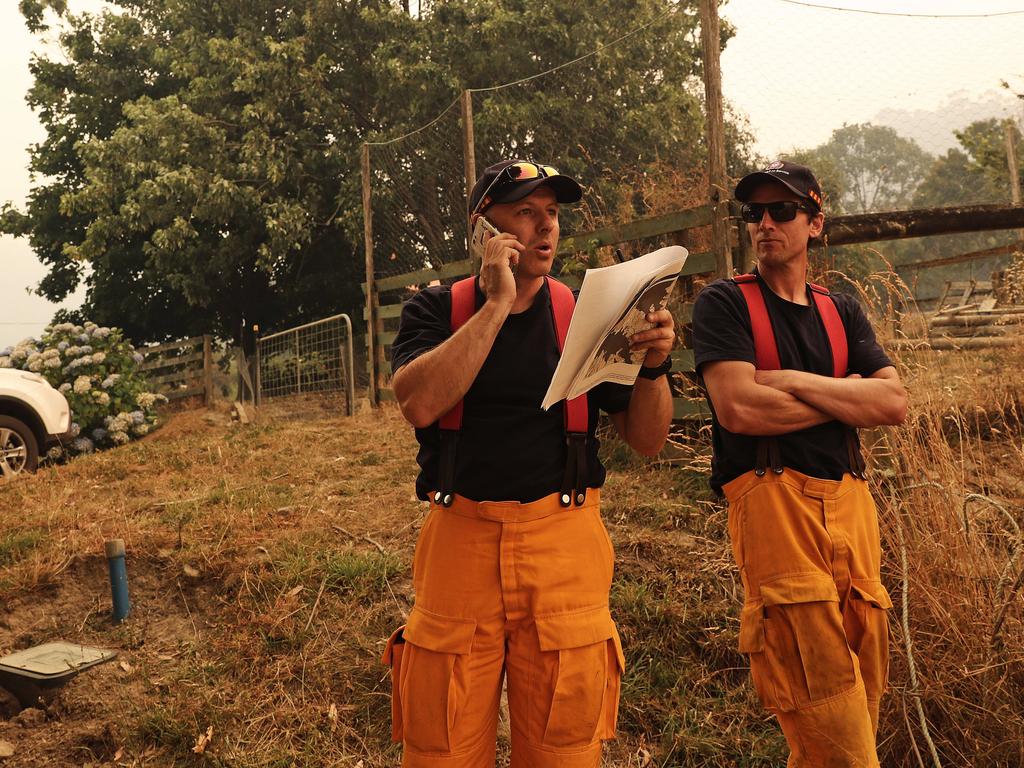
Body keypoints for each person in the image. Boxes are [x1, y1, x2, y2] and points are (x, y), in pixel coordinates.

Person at [381, 158, 675, 768]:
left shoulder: (585, 316)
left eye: (553, 214)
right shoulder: (437, 310)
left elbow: (646, 439)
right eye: (525, 213)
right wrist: (494, 306)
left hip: (565, 545)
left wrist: (655, 367)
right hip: (459, 542)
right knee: (441, 749)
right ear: (484, 231)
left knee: (564, 751)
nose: (545, 228)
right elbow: (420, 402)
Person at [691, 160, 908, 767]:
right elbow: (739, 408)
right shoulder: (724, 304)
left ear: (815, 223)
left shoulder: (843, 312)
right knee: (830, 720)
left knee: (860, 697)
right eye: (754, 213)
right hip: (774, 503)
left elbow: (893, 401)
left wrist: (790, 381)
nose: (764, 223)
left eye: (782, 211)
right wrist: (845, 399)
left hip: (853, 509)